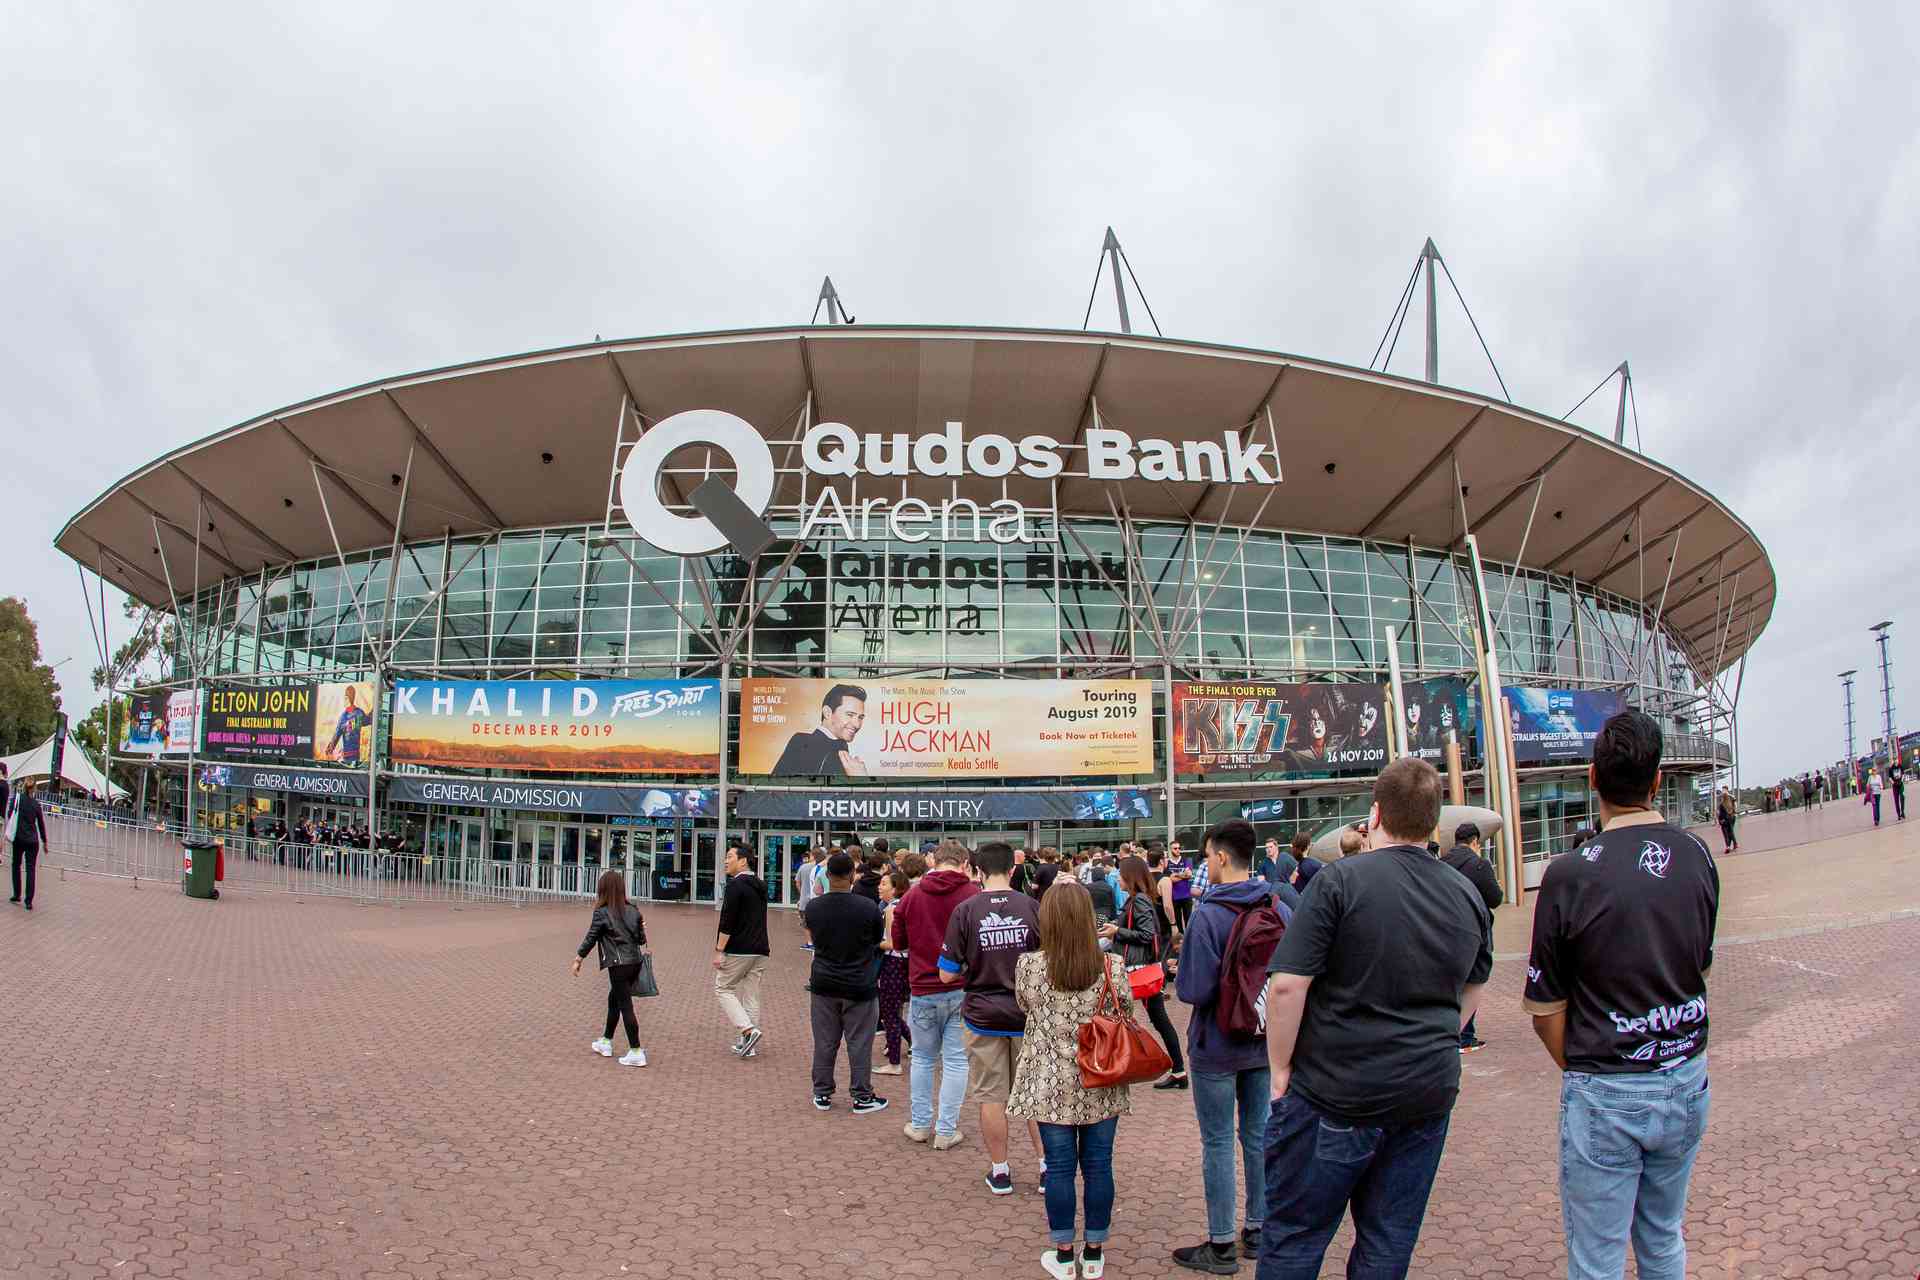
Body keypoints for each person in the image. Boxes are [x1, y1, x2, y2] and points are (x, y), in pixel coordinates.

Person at [1261, 757, 1493, 1278]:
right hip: (1425, 1093)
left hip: (1335, 1091)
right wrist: (1439, 1036)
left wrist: (1279, 1069)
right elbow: (1476, 981)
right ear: (1435, 823)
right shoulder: (1466, 893)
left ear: (1375, 812)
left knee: (1296, 1239)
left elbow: (1287, 985)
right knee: (1388, 1243)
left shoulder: (1340, 882)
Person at [1525, 710, 1719, 1280]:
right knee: (1662, 1241)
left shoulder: (1568, 874)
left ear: (1592, 777)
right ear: (1657, 779)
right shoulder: (1699, 856)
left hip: (1606, 1087)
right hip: (1686, 1077)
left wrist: (1590, 1063)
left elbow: (1545, 1010)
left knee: (1597, 1260)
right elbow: (1698, 964)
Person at [1173, 819, 1288, 1274]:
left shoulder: (1207, 914)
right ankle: (1258, 1230)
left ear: (1220, 857)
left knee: (1218, 1141)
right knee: (1258, 1135)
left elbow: (1193, 990)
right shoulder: (1278, 905)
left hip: (1216, 1046)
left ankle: (1221, 1244)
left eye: (1207, 856)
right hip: (1264, 1041)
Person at [1007, 880, 1134, 1280]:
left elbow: (1024, 1005)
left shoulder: (1030, 965)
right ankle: (1094, 1251)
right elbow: (1126, 1010)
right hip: (1101, 1076)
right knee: (1099, 1165)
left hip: (1048, 1081)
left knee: (1060, 1168)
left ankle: (1063, 1254)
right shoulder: (1110, 966)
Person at [939, 840, 1044, 1195]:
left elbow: (945, 974)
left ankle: (1000, 1172)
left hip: (982, 1015)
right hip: (1028, 1014)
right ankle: (1047, 1169)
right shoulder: (1032, 906)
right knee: (1034, 1095)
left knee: (990, 1096)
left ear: (977, 871)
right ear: (1012, 870)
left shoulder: (965, 911)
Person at [892, 840, 979, 1148]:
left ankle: (919, 1125)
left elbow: (898, 941)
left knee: (924, 1058)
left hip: (923, 987)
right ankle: (946, 1129)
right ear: (964, 864)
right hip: (961, 988)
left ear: (933, 862)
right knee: (956, 1061)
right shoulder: (973, 894)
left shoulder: (912, 896)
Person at [802, 851, 888, 1114]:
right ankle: (862, 1096)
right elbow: (876, 940)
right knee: (859, 1042)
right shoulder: (868, 907)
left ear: (827, 876)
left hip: (824, 983)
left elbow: (814, 938)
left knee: (825, 1041)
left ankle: (822, 1093)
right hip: (859, 984)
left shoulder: (814, 908)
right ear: (852, 875)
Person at [1107, 854, 1188, 1091]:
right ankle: (1178, 1070)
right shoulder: (1139, 899)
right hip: (1141, 968)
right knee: (1158, 1019)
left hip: (1137, 968)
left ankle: (1175, 1069)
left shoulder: (1138, 901)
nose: (1118, 877)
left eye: (1121, 873)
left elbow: (1146, 934)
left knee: (1153, 1019)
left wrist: (1117, 931)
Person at [569, 870, 649, 1068]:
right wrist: (642, 927)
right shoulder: (633, 909)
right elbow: (641, 940)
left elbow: (591, 937)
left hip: (618, 963)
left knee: (625, 1005)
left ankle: (636, 1050)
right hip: (634, 962)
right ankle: (606, 1041)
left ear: (603, 890)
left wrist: (579, 958)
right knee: (614, 1000)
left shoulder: (602, 912)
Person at [1439, 821, 1504, 1054]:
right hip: (1474, 930)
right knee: (1474, 979)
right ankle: (1465, 1035)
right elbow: (1495, 898)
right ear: (1475, 841)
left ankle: (1447, 1031)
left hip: (1444, 929)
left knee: (1452, 982)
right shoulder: (1479, 865)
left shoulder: (1441, 863)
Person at [714, 844, 770, 1059]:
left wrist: (719, 950)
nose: (726, 861)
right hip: (761, 949)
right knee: (751, 995)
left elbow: (727, 921)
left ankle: (748, 1030)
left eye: (730, 857)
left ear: (743, 861)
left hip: (739, 948)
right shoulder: (760, 885)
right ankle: (749, 1044)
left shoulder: (735, 886)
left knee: (723, 988)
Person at [771, 683, 868, 777]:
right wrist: (861, 778)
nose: (857, 724)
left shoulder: (801, 740)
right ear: (827, 713)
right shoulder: (813, 747)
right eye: (850, 715)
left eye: (860, 717)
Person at [876, 867, 913, 1076]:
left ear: (895, 888)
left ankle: (894, 1062)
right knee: (893, 1010)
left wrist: (873, 943)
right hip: (906, 963)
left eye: (884, 884)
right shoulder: (907, 904)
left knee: (889, 1012)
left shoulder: (892, 909)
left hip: (893, 963)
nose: (879, 887)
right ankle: (912, 1044)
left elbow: (892, 943)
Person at [9, 779, 49, 910]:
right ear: (34, 789)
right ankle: (28, 901)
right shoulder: (36, 805)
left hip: (19, 838)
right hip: (33, 840)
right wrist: (45, 841)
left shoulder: (17, 799)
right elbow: (41, 824)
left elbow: (10, 814)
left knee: (16, 864)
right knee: (30, 869)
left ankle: (16, 894)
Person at [325, 685, 372, 765]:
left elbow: (337, 733)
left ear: (349, 698)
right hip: (349, 754)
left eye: (345, 698)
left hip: (353, 754)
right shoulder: (351, 714)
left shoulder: (351, 715)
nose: (344, 700)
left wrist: (330, 748)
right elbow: (337, 733)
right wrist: (330, 748)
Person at [1166, 841, 1196, 930]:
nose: (1178, 850)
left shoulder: (1187, 860)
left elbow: (1189, 875)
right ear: (1170, 849)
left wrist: (1175, 874)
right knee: (1178, 923)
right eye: (1175, 848)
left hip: (1186, 895)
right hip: (1174, 896)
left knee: (1189, 922)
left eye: (1179, 848)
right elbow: (1170, 879)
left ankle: (1189, 940)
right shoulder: (1167, 863)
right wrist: (1183, 875)